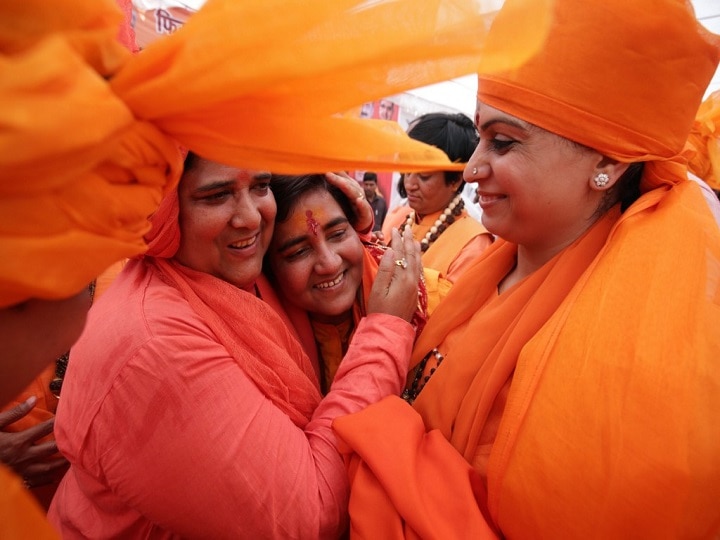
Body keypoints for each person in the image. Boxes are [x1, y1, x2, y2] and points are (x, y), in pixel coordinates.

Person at [333, 0, 720, 537]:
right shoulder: (498, 265)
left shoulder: (623, 356)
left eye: (504, 142)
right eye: (479, 137)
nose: (470, 169)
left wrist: (374, 426)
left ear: (606, 164)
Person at [48, 154, 422, 538]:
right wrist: (385, 331)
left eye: (260, 187)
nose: (252, 218)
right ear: (162, 204)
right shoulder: (155, 345)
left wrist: (357, 234)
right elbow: (309, 517)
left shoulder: (228, 273)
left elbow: (323, 277)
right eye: (216, 195)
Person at [266, 173, 427, 393]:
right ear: (268, 267)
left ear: (359, 232)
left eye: (338, 234)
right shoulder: (262, 342)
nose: (330, 264)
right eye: (299, 251)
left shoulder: (429, 305)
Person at [400, 112, 494, 313]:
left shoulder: (474, 244)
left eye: (424, 176)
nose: (409, 184)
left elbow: (448, 316)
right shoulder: (399, 218)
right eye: (407, 171)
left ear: (455, 181)